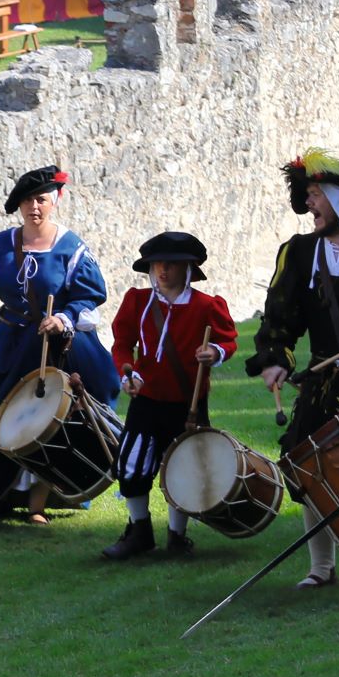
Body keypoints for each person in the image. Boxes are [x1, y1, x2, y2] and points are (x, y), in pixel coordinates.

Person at [249, 151, 339, 590]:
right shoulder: (301, 252)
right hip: (324, 381)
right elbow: (280, 313)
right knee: (307, 464)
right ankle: (322, 566)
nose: (309, 204)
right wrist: (275, 357)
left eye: (315, 195)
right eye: (308, 195)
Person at [0, 165, 121, 522]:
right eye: (27, 201)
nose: (34, 207)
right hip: (7, 342)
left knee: (52, 417)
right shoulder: (1, 245)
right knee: (0, 416)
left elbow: (90, 295)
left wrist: (63, 318)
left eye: (41, 199)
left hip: (55, 343)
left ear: (55, 201)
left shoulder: (71, 248)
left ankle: (41, 501)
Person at [104, 232, 239, 560]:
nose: (162, 270)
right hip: (147, 399)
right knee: (132, 465)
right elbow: (122, 343)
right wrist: (127, 371)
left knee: (185, 468)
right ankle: (139, 532)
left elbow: (229, 341)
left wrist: (215, 352)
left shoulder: (207, 305)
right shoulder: (137, 301)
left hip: (187, 402)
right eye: (157, 263)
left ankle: (177, 536)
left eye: (172, 264)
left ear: (188, 268)